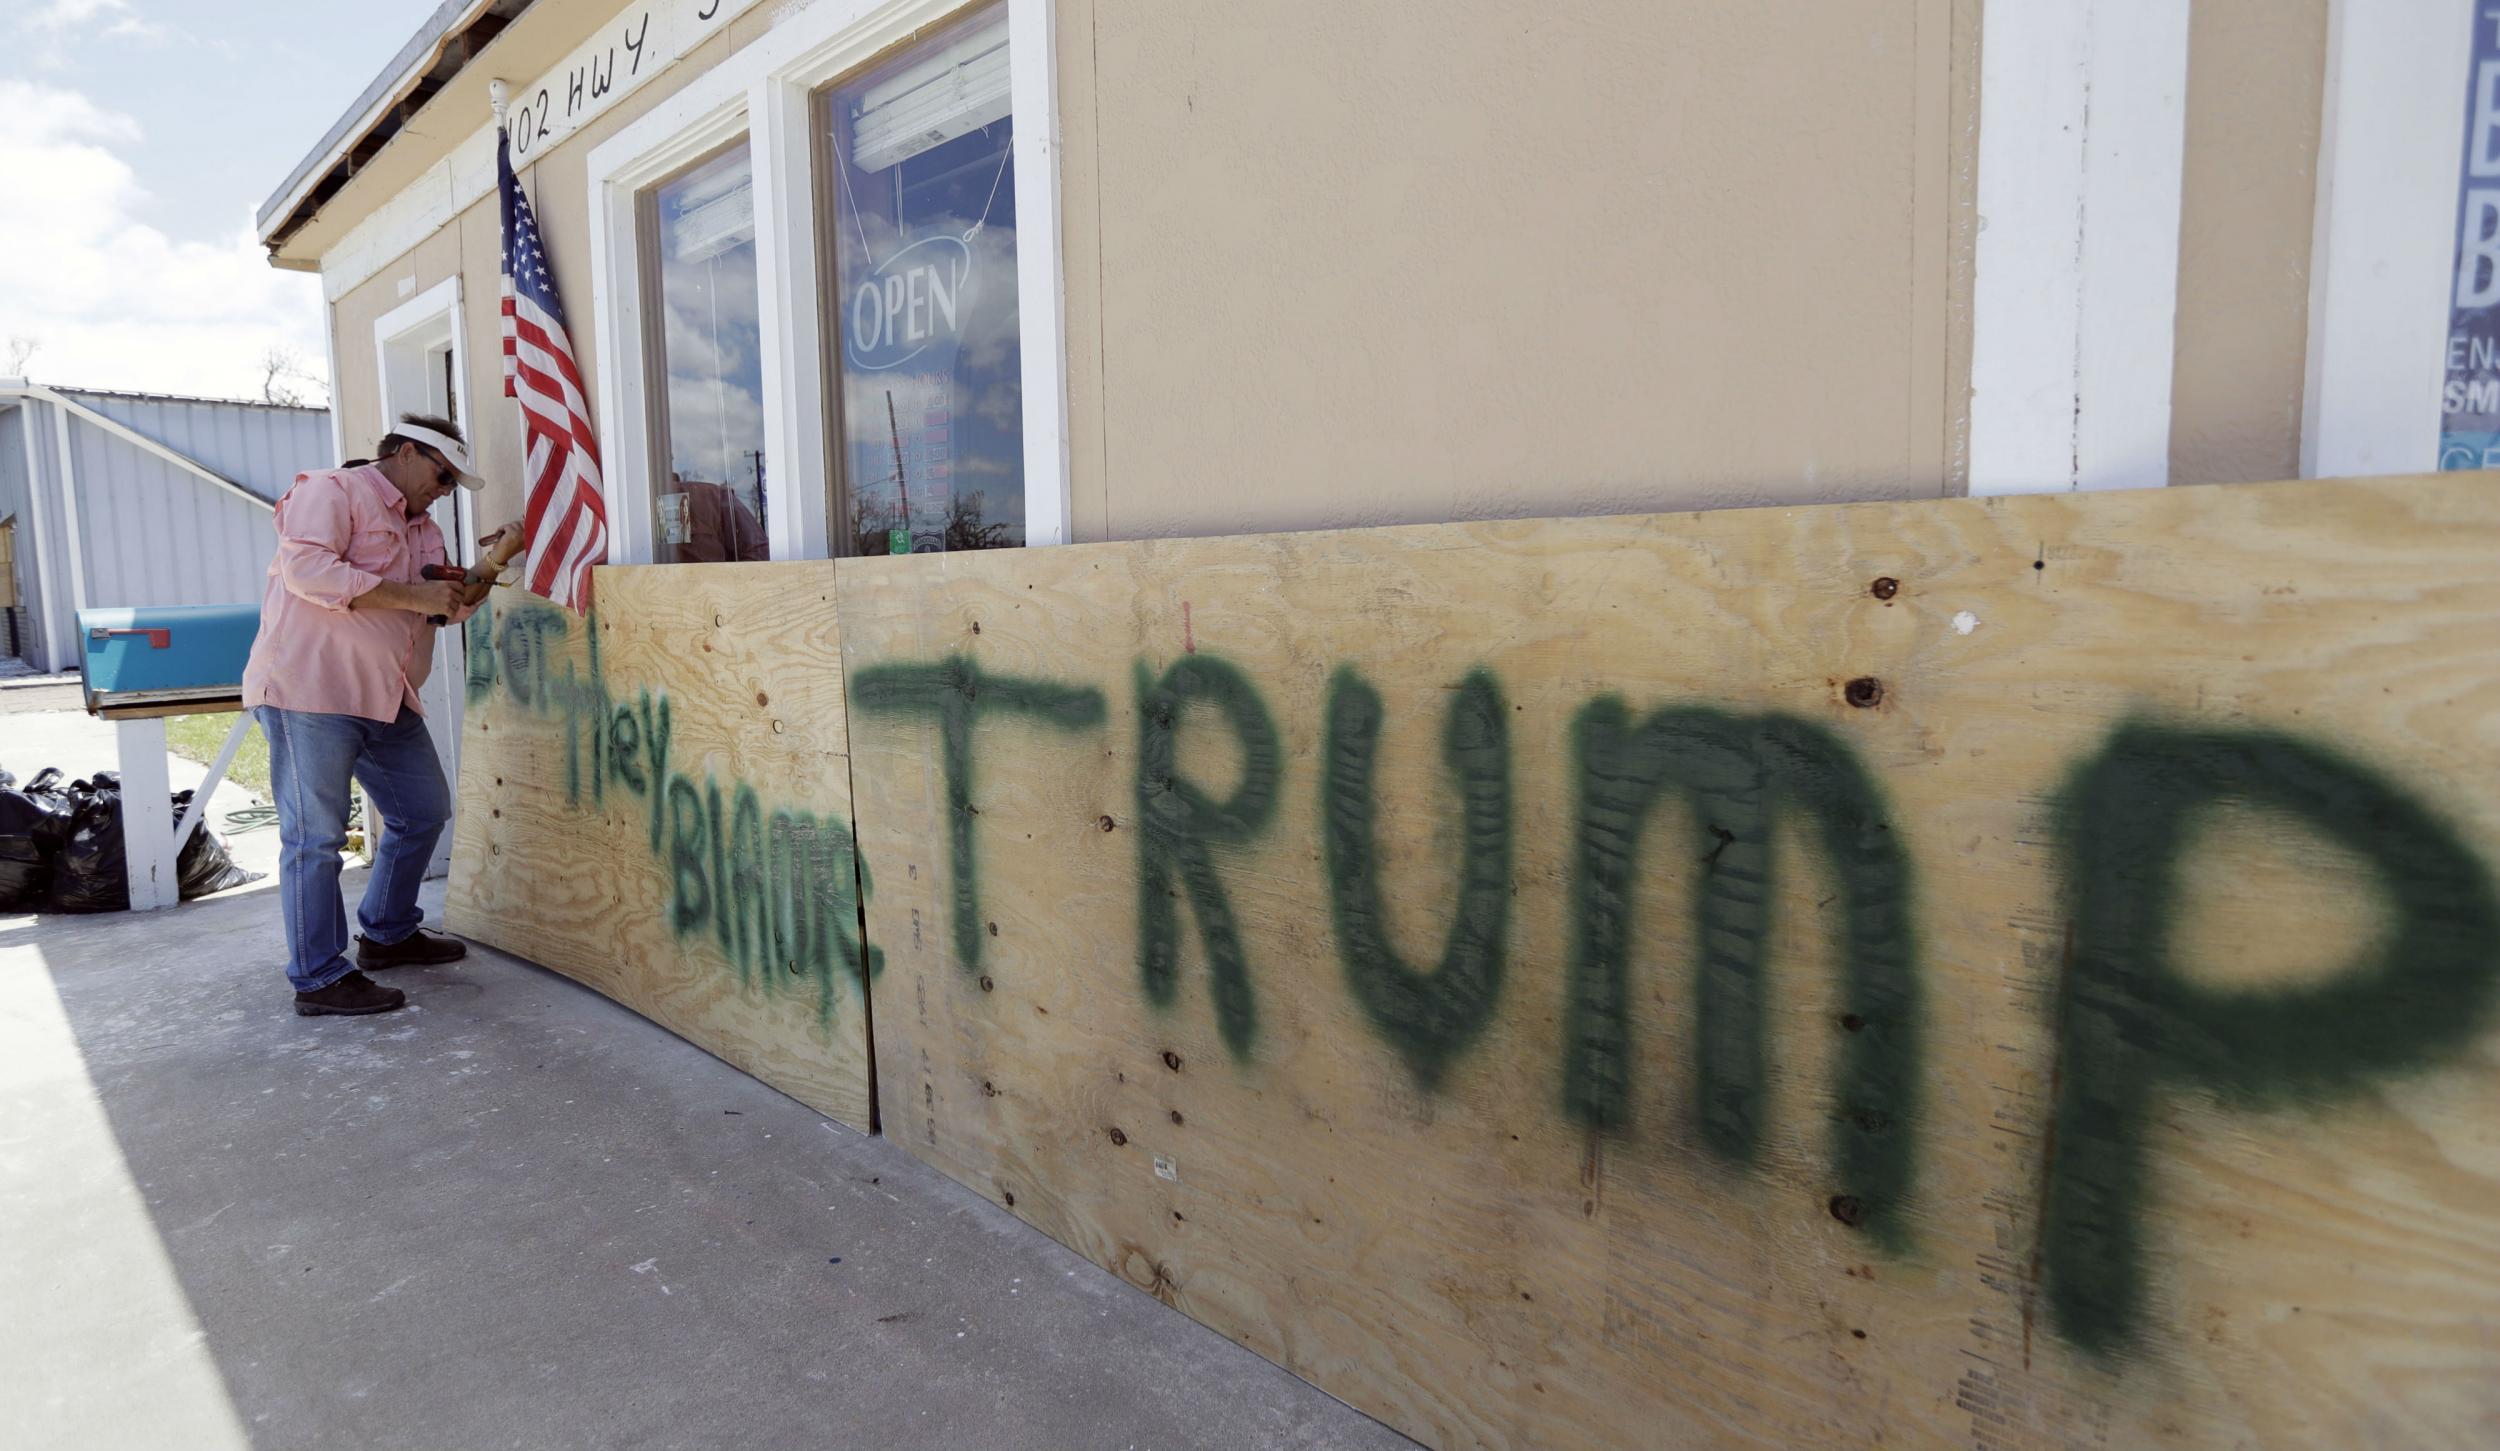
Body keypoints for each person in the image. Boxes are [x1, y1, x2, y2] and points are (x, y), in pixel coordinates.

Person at [240, 412, 503, 1016]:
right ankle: (319, 979)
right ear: (407, 453)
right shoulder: (330, 491)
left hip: (384, 696)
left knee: (423, 811)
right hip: (309, 693)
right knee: (315, 840)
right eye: (443, 475)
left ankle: (387, 934)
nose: (445, 491)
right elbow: (308, 570)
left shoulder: (425, 532)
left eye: (453, 484)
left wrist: (496, 563)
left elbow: (448, 608)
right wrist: (412, 594)